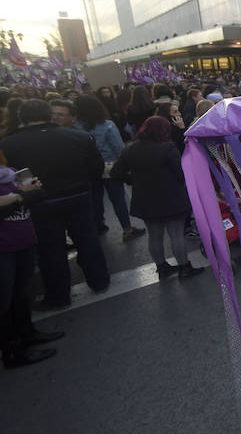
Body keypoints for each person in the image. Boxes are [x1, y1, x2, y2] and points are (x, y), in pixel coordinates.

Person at [0, 99, 110, 309]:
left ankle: (59, 296)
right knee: (88, 240)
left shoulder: (9, 144)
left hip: (42, 202)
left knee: (51, 250)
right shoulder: (78, 137)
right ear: (49, 115)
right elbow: (96, 167)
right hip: (77, 196)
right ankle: (100, 281)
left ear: (22, 118)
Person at [110, 117, 203, 280]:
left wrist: (133, 180)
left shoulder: (130, 149)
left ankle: (162, 268)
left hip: (145, 199)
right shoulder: (167, 148)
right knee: (176, 234)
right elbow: (180, 175)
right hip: (171, 197)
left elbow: (115, 173)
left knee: (154, 235)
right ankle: (184, 267)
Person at [0, 157, 65, 368]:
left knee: (21, 291)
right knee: (5, 299)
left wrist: (24, 194)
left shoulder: (10, 172)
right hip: (4, 245)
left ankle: (28, 334)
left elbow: (38, 195)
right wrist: (20, 196)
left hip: (23, 238)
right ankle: (12, 351)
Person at [74, 95, 145, 240]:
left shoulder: (75, 127)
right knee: (118, 198)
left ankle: (98, 226)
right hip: (109, 165)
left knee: (95, 199)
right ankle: (127, 228)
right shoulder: (107, 125)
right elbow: (119, 148)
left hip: (87, 168)